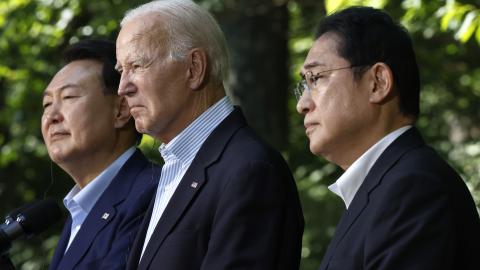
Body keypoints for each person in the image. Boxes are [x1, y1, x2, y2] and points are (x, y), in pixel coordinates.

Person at [115, 1, 304, 269]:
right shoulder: (177, 168)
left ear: (194, 68)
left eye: (136, 65)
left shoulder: (250, 170)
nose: (123, 88)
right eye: (121, 71)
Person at [295, 6, 480, 270]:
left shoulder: (414, 188)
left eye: (316, 78)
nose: (302, 104)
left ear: (378, 82)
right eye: (304, 84)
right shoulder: (386, 186)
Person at [42, 39, 158, 270]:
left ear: (121, 110)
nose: (52, 116)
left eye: (69, 97)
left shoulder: (153, 193)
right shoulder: (80, 208)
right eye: (46, 104)